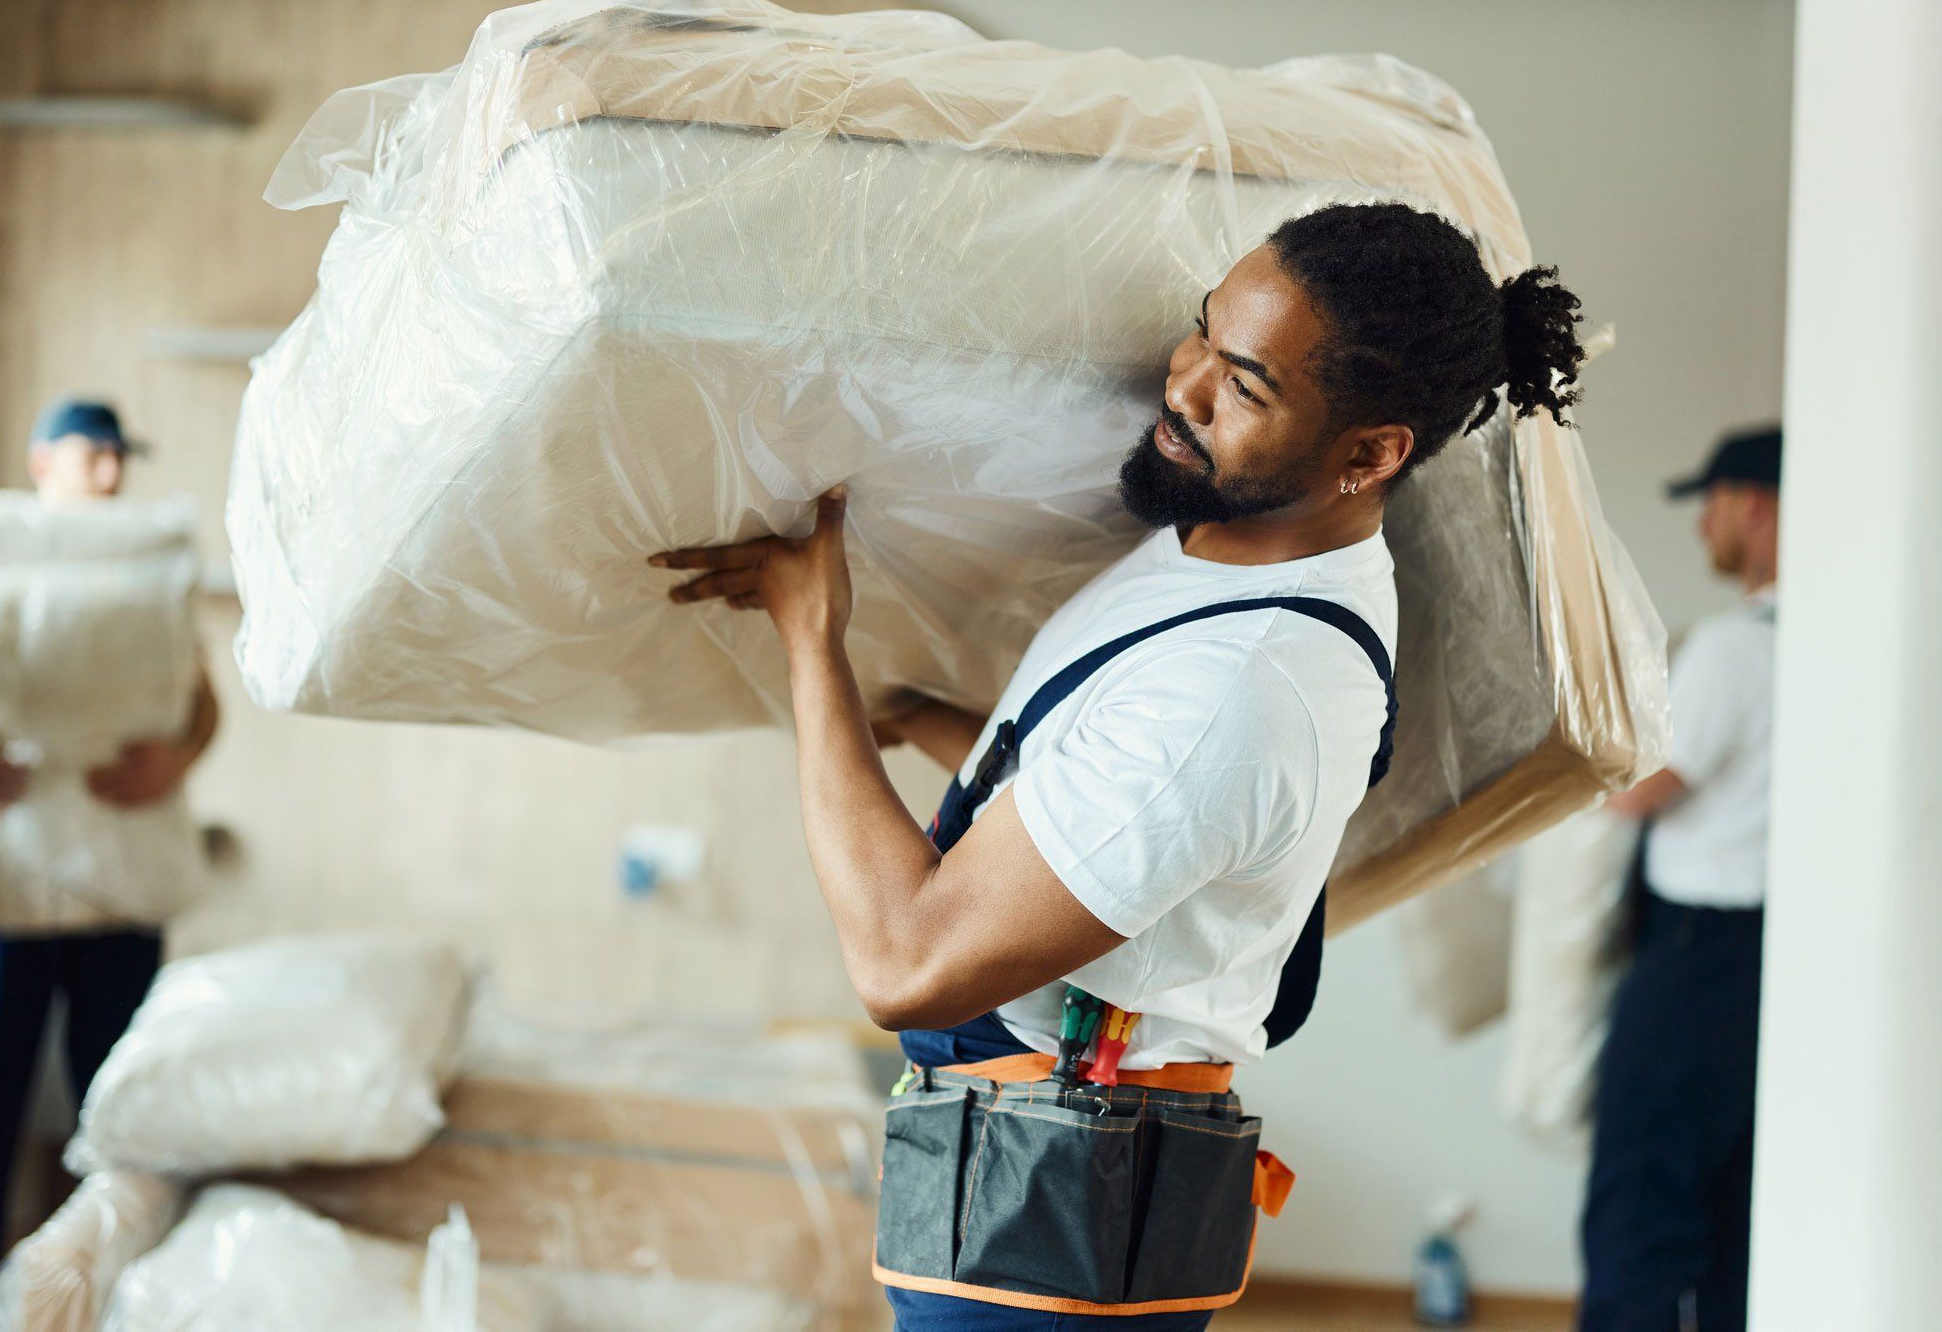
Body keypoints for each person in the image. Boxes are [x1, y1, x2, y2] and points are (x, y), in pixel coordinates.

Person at [653, 202, 1587, 1328]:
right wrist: (940, 721)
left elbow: (906, 962)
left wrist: (817, 647)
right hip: (1027, 1178)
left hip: (1042, 1224)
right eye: (1201, 332)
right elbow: (1113, 810)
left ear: (1370, 453)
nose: (1182, 385)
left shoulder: (1242, 683)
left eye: (1243, 387)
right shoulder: (1221, 547)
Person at [0, 399, 219, 1332]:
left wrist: (178, 759)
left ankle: (106, 1300)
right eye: (91, 454)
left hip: (117, 887)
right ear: (41, 461)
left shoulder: (146, 579)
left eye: (118, 459)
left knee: (122, 1114)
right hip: (6, 890)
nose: (108, 474)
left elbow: (201, 697)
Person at [1583, 426, 1780, 1332]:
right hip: (1777, 964)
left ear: (1755, 505)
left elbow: (1643, 788)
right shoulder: (1846, 645)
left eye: (1713, 504)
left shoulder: (1739, 648)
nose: (1705, 526)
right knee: (1744, 1215)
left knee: (1643, 1201)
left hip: (1699, 959)